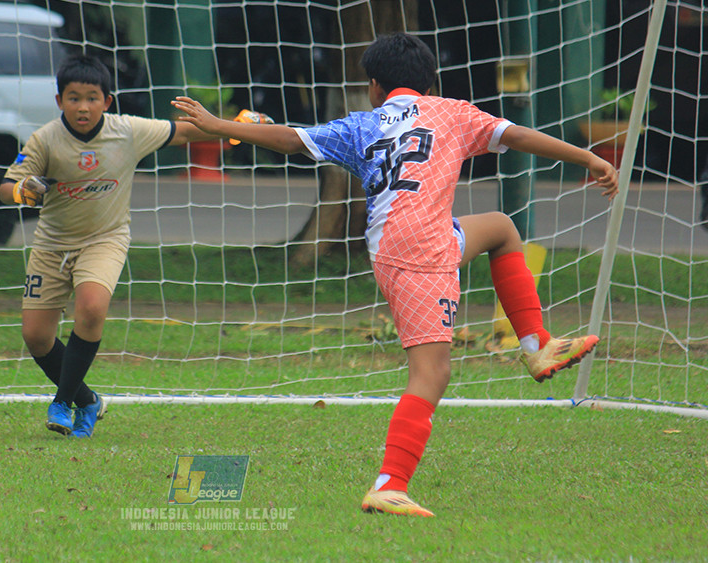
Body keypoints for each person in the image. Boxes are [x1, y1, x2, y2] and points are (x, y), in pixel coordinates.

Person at [171, 33, 619, 516]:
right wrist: (589, 157)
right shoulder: (453, 112)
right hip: (419, 250)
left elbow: (289, 138)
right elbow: (518, 136)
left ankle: (536, 345)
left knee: (501, 229)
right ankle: (389, 484)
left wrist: (220, 126)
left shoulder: (363, 124)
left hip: (401, 243)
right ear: (430, 82)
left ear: (374, 85)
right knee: (432, 372)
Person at [0, 53, 219, 438]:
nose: (82, 107)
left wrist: (236, 128)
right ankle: (89, 400)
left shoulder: (128, 131)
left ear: (107, 102)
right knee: (36, 336)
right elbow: (4, 186)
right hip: (51, 245)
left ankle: (62, 401)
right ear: (59, 101)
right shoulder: (45, 139)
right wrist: (20, 190)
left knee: (92, 306)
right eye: (73, 97)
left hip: (105, 239)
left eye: (92, 97)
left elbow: (183, 132)